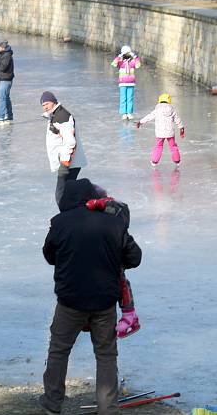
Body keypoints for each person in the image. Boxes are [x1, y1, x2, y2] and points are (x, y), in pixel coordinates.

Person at [39, 179, 142, 415]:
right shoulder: (112, 223)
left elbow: (49, 254)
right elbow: (134, 257)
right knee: (106, 354)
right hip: (104, 301)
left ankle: (52, 403)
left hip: (70, 299)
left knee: (59, 349)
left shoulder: (60, 222)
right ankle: (108, 409)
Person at [85, 186, 140, 338]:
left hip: (114, 255)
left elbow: (120, 212)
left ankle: (130, 315)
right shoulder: (95, 215)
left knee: (120, 281)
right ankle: (90, 316)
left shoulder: (114, 208)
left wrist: (102, 205)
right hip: (102, 256)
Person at [41, 91, 87, 208]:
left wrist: (64, 164)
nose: (45, 107)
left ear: (54, 102)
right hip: (68, 163)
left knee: (61, 196)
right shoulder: (55, 115)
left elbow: (70, 142)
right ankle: (73, 217)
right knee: (66, 195)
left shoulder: (62, 117)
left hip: (69, 164)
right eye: (43, 105)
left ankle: (70, 219)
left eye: (47, 103)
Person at [136, 93, 185, 168]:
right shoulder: (172, 110)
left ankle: (154, 161)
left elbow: (149, 117)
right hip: (170, 132)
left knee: (159, 146)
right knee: (173, 146)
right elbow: (178, 120)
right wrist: (181, 128)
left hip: (160, 133)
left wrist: (140, 122)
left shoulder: (157, 110)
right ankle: (177, 160)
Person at [111, 45, 141, 120]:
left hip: (131, 83)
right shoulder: (120, 63)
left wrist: (135, 56)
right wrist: (119, 56)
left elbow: (138, 65)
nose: (127, 55)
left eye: (128, 54)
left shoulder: (132, 62)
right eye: (125, 54)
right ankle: (124, 113)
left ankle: (129, 113)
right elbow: (113, 64)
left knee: (130, 98)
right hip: (122, 83)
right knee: (123, 98)